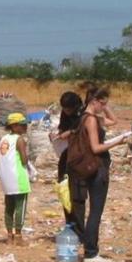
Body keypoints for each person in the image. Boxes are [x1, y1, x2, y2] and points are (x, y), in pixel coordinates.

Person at [72, 87, 117, 262]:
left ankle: (91, 250)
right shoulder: (90, 120)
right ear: (94, 101)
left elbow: (114, 120)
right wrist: (116, 142)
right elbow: (96, 148)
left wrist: (105, 106)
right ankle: (91, 252)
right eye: (102, 103)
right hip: (96, 167)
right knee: (95, 212)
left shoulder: (85, 117)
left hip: (88, 168)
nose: (104, 107)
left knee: (94, 211)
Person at [0, 112, 31, 246]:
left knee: (9, 207)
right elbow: (24, 159)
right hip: (19, 177)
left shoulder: (3, 139)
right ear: (15, 126)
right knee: (20, 207)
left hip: (6, 177)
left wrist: (4, 161)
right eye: (23, 124)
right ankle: (19, 236)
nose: (25, 127)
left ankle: (9, 236)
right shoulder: (19, 139)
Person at [51, 91, 83, 228]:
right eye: (64, 109)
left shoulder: (84, 114)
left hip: (81, 155)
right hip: (67, 152)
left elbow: (83, 129)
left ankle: (79, 226)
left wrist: (71, 132)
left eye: (69, 109)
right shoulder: (65, 114)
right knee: (64, 188)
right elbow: (63, 128)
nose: (66, 111)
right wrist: (58, 135)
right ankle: (69, 222)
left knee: (77, 193)